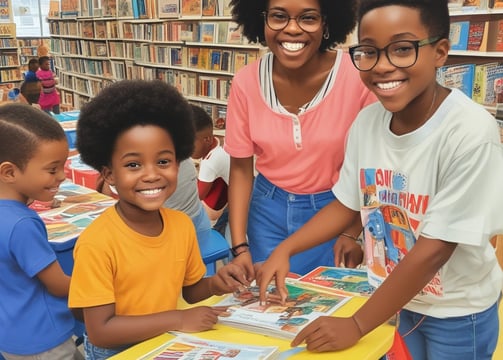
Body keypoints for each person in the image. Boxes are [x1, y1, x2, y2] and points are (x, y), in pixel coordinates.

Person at [256, 0, 503, 358]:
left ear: (440, 52)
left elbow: (434, 250)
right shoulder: (367, 122)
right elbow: (346, 203)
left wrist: (357, 324)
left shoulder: (469, 132)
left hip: (456, 313)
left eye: (402, 49)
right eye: (369, 52)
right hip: (393, 300)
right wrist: (286, 249)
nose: (383, 66)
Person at [68, 80, 247, 359]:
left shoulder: (180, 225)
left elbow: (190, 290)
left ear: (179, 163)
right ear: (109, 174)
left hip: (163, 341)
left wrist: (215, 283)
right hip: (117, 350)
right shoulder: (97, 243)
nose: (151, 174)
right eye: (133, 165)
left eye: (163, 161)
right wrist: (178, 320)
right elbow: (101, 330)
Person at [224, 0, 376, 278]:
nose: (292, 29)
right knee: (269, 304)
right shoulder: (245, 82)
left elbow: (370, 168)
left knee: (325, 311)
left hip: (337, 212)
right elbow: (241, 169)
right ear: (262, 20)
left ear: (327, 23)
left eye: (308, 18)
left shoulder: (357, 78)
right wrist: (240, 246)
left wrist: (351, 232)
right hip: (266, 211)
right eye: (279, 16)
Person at [0, 104, 82, 360]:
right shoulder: (22, 224)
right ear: (9, 172)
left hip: (12, 335)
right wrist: (107, 279)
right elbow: (58, 286)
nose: (62, 177)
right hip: (43, 341)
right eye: (52, 169)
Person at [191, 104, 230, 233]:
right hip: (230, 195)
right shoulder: (218, 143)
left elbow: (197, 197)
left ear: (206, 139)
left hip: (229, 209)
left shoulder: (211, 161)